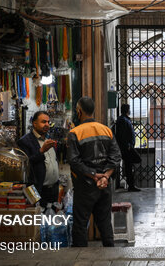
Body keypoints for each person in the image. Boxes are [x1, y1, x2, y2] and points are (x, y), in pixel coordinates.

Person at [67, 96, 121, 247]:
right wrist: (105, 176)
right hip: (104, 185)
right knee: (105, 222)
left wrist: (93, 174)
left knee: (80, 225)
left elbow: (74, 161)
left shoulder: (75, 133)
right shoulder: (106, 130)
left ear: (79, 112)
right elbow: (116, 156)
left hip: (85, 186)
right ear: (93, 110)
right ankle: (110, 256)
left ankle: (80, 258)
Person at [17, 111, 59, 205]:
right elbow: (25, 164)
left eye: (48, 122)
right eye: (43, 122)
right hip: (36, 190)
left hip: (53, 189)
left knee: (52, 217)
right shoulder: (24, 141)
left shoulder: (49, 139)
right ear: (34, 123)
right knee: (36, 216)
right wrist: (41, 151)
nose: (47, 125)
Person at [114, 103, 141, 192]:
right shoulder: (122, 120)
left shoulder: (125, 119)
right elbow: (122, 135)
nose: (130, 111)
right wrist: (128, 146)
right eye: (129, 109)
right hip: (127, 148)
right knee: (134, 161)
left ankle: (131, 184)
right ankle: (131, 185)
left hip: (128, 147)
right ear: (126, 110)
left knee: (129, 166)